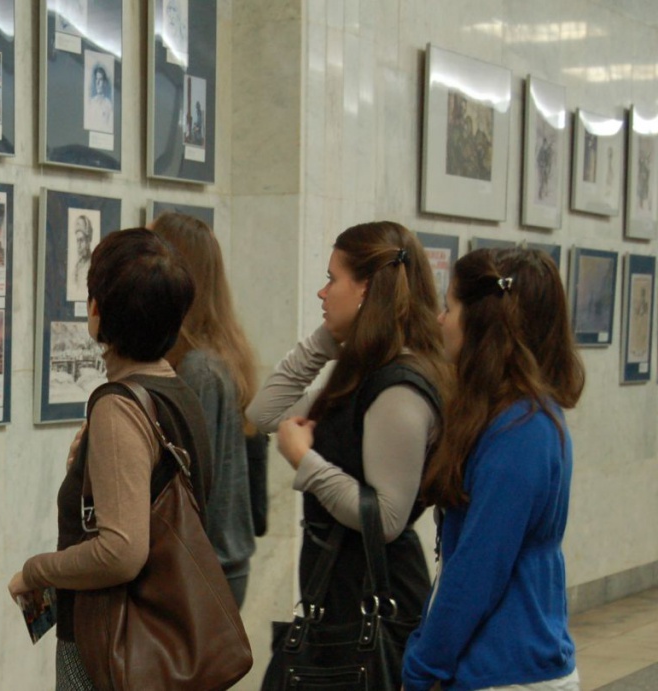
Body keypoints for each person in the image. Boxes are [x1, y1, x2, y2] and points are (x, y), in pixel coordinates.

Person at [8, 228, 213, 689]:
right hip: (162, 638)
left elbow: (121, 552)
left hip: (113, 649)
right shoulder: (179, 393)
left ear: (98, 312)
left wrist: (35, 571)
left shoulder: (119, 407)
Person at [246, 221, 449, 641]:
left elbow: (387, 518)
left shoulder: (398, 388)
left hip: (373, 605)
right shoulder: (365, 376)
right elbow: (265, 413)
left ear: (366, 288)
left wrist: (305, 461)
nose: (322, 293)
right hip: (343, 595)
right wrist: (326, 340)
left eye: (331, 280)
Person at [402, 248, 585, 691]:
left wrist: (423, 666)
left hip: (508, 670)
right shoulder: (505, 416)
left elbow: (478, 570)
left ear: (483, 322)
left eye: (450, 307)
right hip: (494, 664)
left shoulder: (523, 429)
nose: (441, 320)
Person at [150, 211, 259, 607]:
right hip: (209, 568)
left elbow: (191, 490)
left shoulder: (201, 371)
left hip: (205, 574)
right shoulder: (206, 361)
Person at [69, 214, 93, 301]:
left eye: (81, 240)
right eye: (77, 241)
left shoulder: (94, 266)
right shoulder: (76, 267)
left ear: (89, 240)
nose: (78, 246)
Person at [84, 63, 113, 134]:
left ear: (104, 83)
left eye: (100, 79)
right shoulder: (91, 102)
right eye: (96, 79)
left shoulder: (108, 105)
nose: (98, 82)